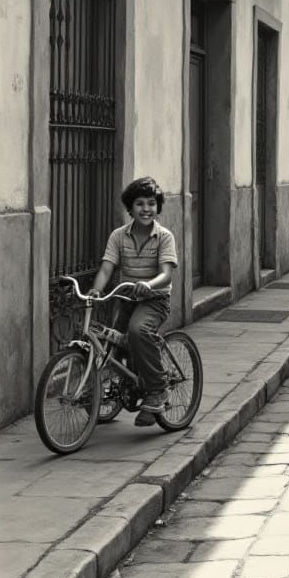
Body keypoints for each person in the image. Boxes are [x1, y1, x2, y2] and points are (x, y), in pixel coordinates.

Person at [90, 177, 178, 427]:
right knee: (112, 340)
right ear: (130, 208)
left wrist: (149, 284)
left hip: (155, 300)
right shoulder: (119, 236)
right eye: (139, 204)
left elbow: (166, 273)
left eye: (151, 203)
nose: (146, 209)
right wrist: (96, 291)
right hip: (127, 298)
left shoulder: (164, 237)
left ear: (157, 207)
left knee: (138, 331)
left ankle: (157, 389)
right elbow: (107, 269)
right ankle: (117, 387)